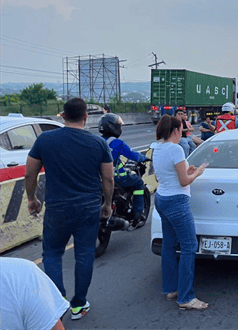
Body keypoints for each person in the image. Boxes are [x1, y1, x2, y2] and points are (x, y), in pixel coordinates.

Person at [24, 97, 114, 321]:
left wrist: (32, 199)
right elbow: (108, 179)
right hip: (88, 208)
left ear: (63, 116)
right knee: (84, 254)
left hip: (57, 208)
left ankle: (57, 303)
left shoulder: (45, 140)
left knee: (52, 253)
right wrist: (107, 204)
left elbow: (29, 173)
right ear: (86, 117)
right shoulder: (98, 144)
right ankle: (79, 305)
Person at [152, 114, 208, 311]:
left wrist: (187, 170)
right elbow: (184, 181)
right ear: (176, 130)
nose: (184, 130)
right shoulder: (176, 149)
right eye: (183, 127)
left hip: (161, 199)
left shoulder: (157, 148)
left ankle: (170, 288)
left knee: (168, 244)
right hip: (177, 201)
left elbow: (161, 176)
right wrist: (198, 172)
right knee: (189, 246)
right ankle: (186, 297)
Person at [99, 113, 149, 228]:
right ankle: (137, 214)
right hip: (117, 178)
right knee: (138, 183)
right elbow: (133, 155)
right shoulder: (118, 143)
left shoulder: (97, 141)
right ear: (113, 128)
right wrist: (144, 157)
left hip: (99, 178)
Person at [0, 257, 70, 330]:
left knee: (52, 255)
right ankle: (76, 304)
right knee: (80, 254)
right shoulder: (22, 272)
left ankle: (58, 297)